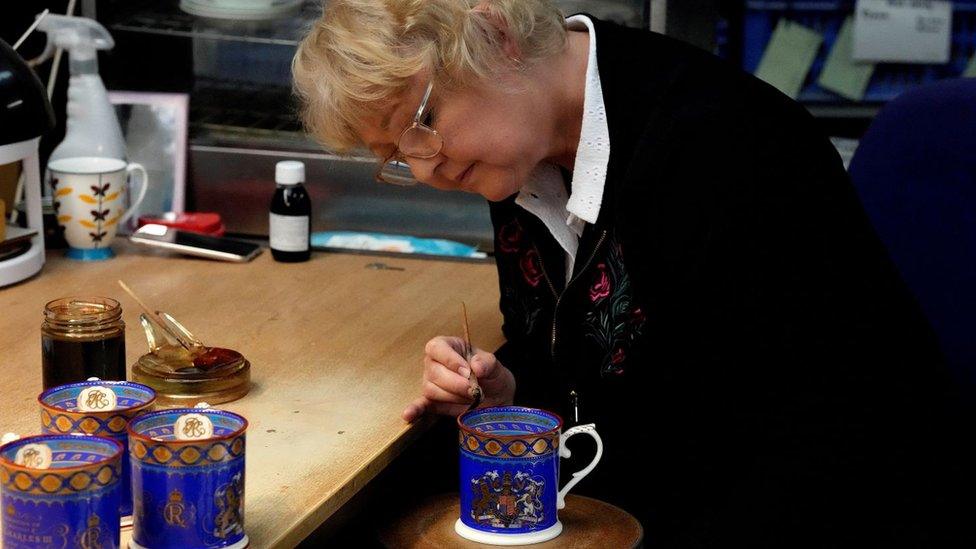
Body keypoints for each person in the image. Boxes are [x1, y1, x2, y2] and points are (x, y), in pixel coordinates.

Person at [293, 1, 972, 545]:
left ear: (493, 33)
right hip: (658, 487)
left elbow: (818, 442)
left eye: (422, 124)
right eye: (394, 156)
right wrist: (510, 390)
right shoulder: (519, 151)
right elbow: (598, 363)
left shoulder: (727, 151)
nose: (423, 169)